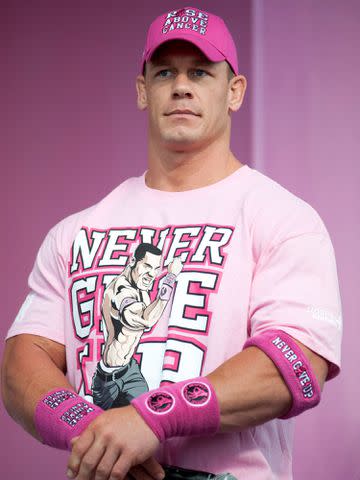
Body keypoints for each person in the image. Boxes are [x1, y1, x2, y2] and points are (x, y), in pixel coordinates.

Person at [1, 6, 342, 480]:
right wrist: (94, 433)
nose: (181, 85)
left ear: (235, 91)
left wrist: (151, 417)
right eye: (165, 72)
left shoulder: (283, 218)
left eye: (200, 71)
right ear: (144, 90)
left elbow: (297, 364)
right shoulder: (75, 232)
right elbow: (22, 361)